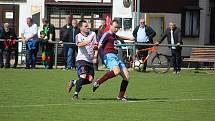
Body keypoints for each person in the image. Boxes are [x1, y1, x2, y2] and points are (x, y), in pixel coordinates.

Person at [92, 20, 133, 101]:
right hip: (108, 56)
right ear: (110, 25)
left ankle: (120, 96)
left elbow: (119, 37)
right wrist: (96, 53)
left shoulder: (113, 35)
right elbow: (100, 43)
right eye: (115, 27)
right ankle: (98, 82)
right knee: (116, 71)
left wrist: (129, 38)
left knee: (127, 77)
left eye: (118, 27)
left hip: (115, 56)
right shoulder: (106, 34)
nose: (117, 29)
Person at [67, 20, 98, 100]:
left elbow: (96, 46)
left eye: (88, 26)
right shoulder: (78, 36)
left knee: (90, 79)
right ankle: (75, 95)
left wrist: (95, 56)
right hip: (81, 59)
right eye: (85, 26)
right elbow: (79, 44)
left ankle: (73, 82)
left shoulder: (93, 34)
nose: (88, 27)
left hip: (90, 60)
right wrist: (86, 41)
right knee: (83, 76)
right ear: (80, 28)